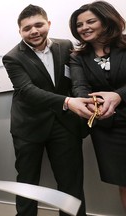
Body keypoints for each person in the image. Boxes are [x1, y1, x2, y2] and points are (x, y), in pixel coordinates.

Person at [2, 4, 93, 216]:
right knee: (27, 185)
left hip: (65, 125)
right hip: (29, 127)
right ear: (20, 31)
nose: (34, 31)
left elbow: (76, 81)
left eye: (38, 25)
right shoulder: (12, 57)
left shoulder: (66, 45)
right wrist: (69, 102)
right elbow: (27, 90)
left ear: (48, 24)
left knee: (71, 185)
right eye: (27, 28)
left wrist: (81, 100)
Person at [69, 1, 126, 212]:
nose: (84, 27)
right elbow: (80, 87)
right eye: (79, 25)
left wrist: (118, 96)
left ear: (105, 20)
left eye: (90, 21)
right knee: (124, 181)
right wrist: (90, 108)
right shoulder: (78, 58)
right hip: (108, 128)